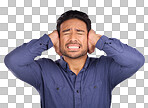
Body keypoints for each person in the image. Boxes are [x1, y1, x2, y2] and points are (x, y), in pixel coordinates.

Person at [4, 10, 145, 108]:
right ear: (58, 39)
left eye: (79, 32)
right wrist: (48, 39)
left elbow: (136, 61)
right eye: (65, 33)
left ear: (89, 38)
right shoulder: (43, 70)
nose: (72, 38)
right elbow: (13, 61)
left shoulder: (106, 68)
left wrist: (99, 40)